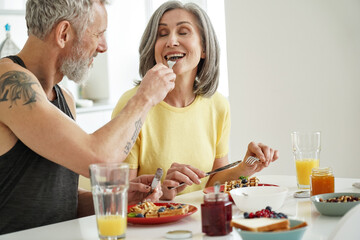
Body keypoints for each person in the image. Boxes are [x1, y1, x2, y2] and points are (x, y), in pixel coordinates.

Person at [0, 0, 176, 234]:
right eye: (98, 34)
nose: (104, 46)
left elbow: (62, 199)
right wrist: (144, 97)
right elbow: (100, 162)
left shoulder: (64, 98)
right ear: (63, 33)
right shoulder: (8, 83)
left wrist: (119, 197)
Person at [112, 1, 279, 201]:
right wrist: (163, 193)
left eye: (183, 32)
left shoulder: (218, 105)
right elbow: (121, 199)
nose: (171, 41)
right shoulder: (134, 103)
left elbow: (213, 184)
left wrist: (245, 167)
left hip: (200, 223)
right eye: (162, 34)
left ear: (204, 49)